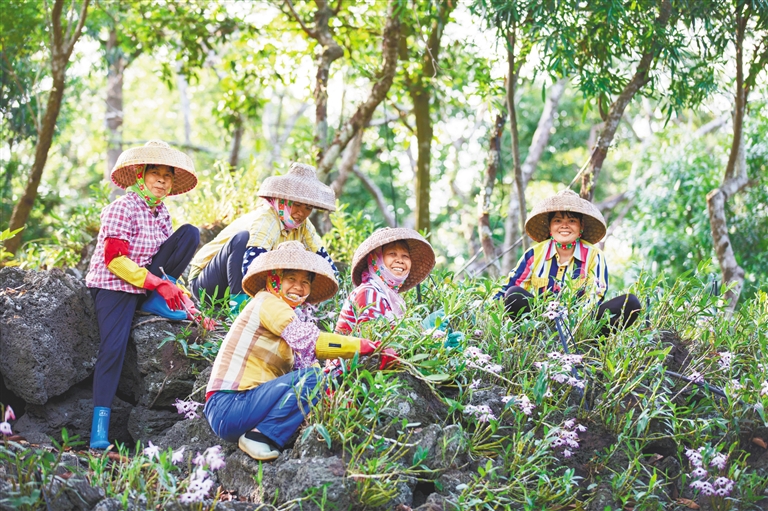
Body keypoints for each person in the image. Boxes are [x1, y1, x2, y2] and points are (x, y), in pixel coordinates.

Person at [204, 241, 396, 461]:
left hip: (245, 405)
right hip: (229, 404)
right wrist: (365, 346)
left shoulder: (288, 317)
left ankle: (263, 433)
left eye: (306, 281)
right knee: (315, 379)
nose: (299, 286)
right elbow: (313, 344)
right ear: (274, 278)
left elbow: (310, 371)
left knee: (319, 379)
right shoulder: (268, 302)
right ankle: (261, 436)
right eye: (291, 279)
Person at [85, 140, 201, 449]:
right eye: (155, 173)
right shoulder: (122, 207)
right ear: (141, 175)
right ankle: (99, 430)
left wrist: (188, 304)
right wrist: (158, 284)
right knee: (114, 349)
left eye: (168, 175)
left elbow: (165, 270)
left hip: (147, 284)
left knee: (190, 233)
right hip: (115, 286)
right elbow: (115, 259)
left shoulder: (162, 214)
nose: (162, 180)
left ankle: (152, 304)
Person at [188, 162, 338, 311]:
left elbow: (322, 257)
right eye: (297, 204)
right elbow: (252, 263)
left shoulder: (303, 225)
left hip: (240, 286)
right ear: (284, 200)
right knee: (242, 239)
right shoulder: (266, 218)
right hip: (208, 284)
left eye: (308, 208)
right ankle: (239, 307)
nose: (302, 212)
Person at [496, 189, 641, 335]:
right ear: (550, 227)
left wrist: (572, 322)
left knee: (631, 303)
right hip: (540, 322)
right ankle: (535, 338)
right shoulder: (534, 253)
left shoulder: (594, 254)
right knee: (513, 294)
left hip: (580, 323)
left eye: (572, 221)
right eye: (558, 221)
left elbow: (596, 294)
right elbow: (510, 286)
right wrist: (483, 311)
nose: (564, 225)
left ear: (581, 227)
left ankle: (586, 343)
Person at [335, 228, 435, 334]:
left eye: (405, 256)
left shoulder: (389, 297)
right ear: (375, 259)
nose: (400, 260)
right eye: (392, 254)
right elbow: (374, 339)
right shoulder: (369, 292)